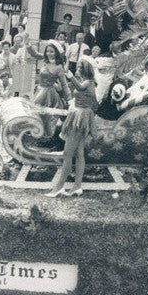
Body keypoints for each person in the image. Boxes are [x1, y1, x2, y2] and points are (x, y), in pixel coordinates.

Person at [46, 60, 98, 197]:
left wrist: (69, 75)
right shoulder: (88, 81)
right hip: (80, 114)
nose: (78, 68)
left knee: (67, 154)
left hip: (80, 117)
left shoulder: (88, 82)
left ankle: (58, 187)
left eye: (81, 66)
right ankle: (77, 186)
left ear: (87, 69)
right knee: (79, 153)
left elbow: (80, 88)